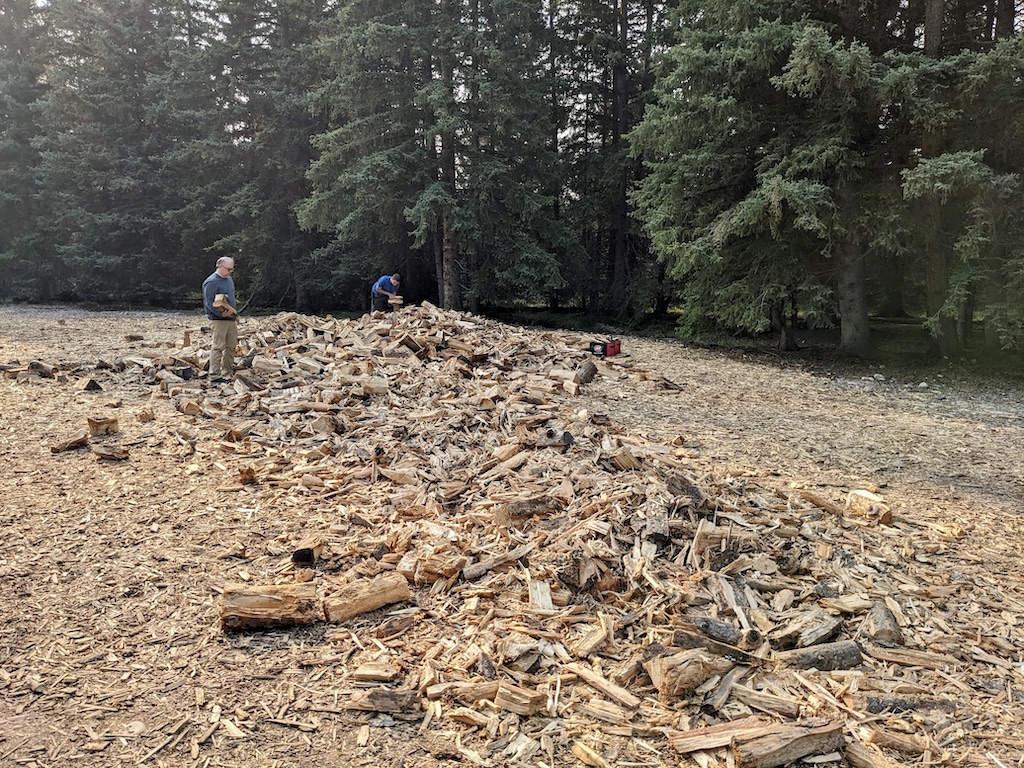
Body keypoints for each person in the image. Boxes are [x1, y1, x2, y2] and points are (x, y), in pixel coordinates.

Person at [202, 257, 238, 383]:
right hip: (219, 320)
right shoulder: (211, 282)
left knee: (231, 346)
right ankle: (214, 375)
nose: (230, 272)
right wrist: (221, 314)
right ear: (219, 266)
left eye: (231, 269)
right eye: (228, 269)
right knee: (218, 347)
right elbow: (209, 303)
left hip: (231, 318)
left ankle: (227, 373)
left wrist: (233, 313)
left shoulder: (229, 279)